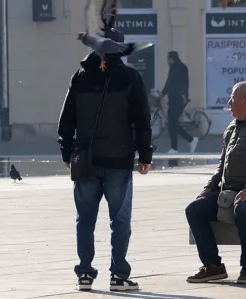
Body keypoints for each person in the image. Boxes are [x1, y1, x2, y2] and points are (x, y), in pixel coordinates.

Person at [57, 28, 154, 293]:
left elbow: (66, 119)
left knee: (85, 219)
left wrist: (67, 152)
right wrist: (145, 155)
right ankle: (119, 276)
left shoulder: (80, 76)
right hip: (118, 160)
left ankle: (84, 274)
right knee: (120, 221)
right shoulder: (129, 77)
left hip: (86, 159)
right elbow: (141, 121)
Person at [184, 81, 246, 285]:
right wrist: (210, 187)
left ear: (245, 101)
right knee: (194, 209)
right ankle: (213, 266)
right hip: (231, 190)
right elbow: (223, 165)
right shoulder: (232, 128)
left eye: (232, 99)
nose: (229, 103)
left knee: (243, 210)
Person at [160, 50, 198, 153]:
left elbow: (179, 83)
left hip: (179, 99)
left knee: (172, 123)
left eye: (168, 59)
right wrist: (162, 93)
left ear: (172, 59)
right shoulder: (173, 68)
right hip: (174, 99)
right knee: (172, 123)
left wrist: (182, 95)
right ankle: (179, 146)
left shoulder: (181, 67)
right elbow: (169, 83)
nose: (167, 61)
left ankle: (183, 144)